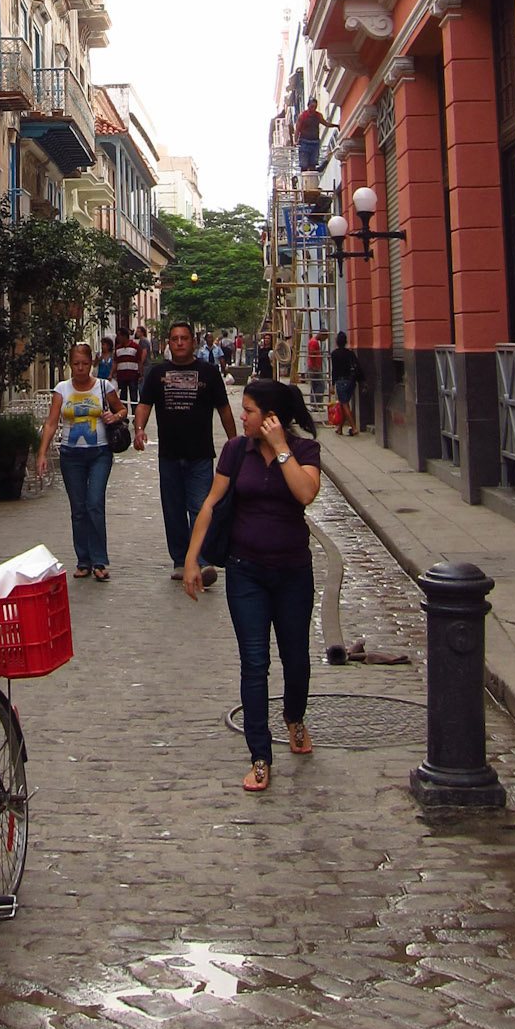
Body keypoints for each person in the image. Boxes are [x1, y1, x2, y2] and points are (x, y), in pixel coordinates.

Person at [183, 380, 322, 793]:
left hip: (293, 571)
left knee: (296, 658)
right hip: (246, 572)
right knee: (254, 662)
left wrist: (281, 448)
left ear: (271, 417)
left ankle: (295, 717)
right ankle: (260, 755)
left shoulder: (305, 451)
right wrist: (193, 558)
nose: (241, 417)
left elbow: (306, 493)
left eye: (248, 411)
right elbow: (210, 502)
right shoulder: (234, 451)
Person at [135, 322, 236, 584]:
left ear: (193, 342)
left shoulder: (209, 373)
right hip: (169, 455)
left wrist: (235, 442)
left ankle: (201, 561)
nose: (179, 343)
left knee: (202, 508)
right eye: (175, 339)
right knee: (174, 510)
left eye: (184, 338)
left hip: (200, 455)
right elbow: (144, 405)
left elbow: (224, 409)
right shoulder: (157, 373)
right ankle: (180, 560)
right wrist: (138, 430)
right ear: (168, 343)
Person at [37, 341, 128, 582]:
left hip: (100, 452)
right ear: (70, 364)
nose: (80, 369)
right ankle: (83, 560)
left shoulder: (103, 386)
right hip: (71, 455)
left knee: (95, 503)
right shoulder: (62, 390)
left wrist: (113, 415)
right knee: (78, 509)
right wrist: (42, 453)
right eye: (76, 364)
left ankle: (99, 560)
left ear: (92, 363)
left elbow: (122, 410)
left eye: (85, 364)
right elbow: (51, 422)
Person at [330, 332, 361, 435]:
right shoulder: (350, 353)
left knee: (344, 404)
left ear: (337, 342)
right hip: (351, 382)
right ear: (346, 341)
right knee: (345, 404)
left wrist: (332, 384)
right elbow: (357, 367)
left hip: (341, 382)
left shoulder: (334, 354)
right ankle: (339, 428)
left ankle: (354, 427)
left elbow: (334, 370)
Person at [112, 328, 142, 407]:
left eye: (119, 336)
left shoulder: (135, 347)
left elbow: (139, 361)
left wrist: (141, 374)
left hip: (133, 375)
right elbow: (115, 362)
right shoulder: (118, 349)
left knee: (133, 396)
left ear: (124, 336)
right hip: (121, 376)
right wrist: (111, 373)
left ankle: (134, 415)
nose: (118, 338)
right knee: (123, 397)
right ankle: (124, 415)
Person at [295, 97, 321, 173]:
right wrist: (295, 141)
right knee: (304, 165)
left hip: (315, 142)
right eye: (312, 107)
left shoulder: (318, 116)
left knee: (313, 164)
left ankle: (311, 180)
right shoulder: (302, 116)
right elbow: (297, 129)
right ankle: (306, 181)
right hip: (304, 142)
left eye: (315, 107)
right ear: (308, 106)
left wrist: (335, 126)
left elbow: (325, 123)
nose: (313, 109)